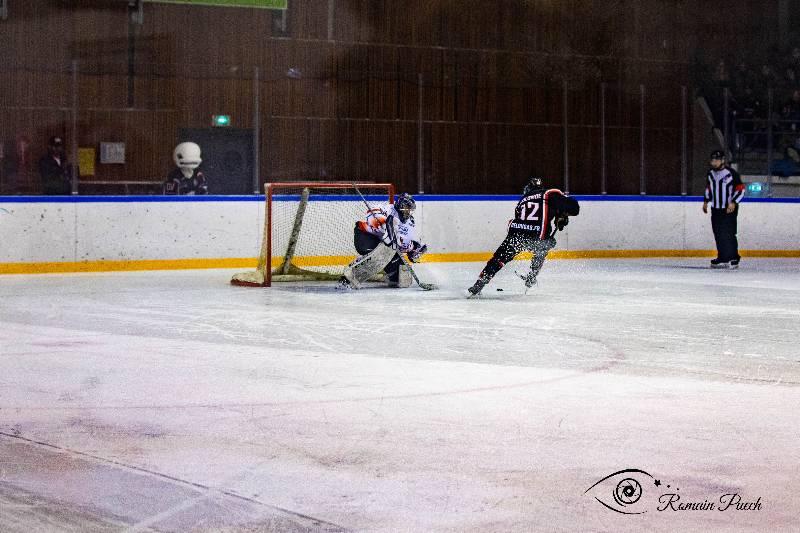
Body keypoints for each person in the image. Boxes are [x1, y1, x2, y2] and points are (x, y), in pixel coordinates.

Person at [467, 176, 580, 296]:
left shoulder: (522, 200)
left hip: (518, 235)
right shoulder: (549, 194)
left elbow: (528, 216)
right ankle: (533, 274)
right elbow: (574, 208)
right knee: (542, 247)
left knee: (499, 258)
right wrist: (563, 215)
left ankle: (480, 283)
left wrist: (559, 215)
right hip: (538, 237)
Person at [339, 193, 428, 289]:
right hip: (367, 236)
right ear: (400, 205)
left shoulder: (409, 223)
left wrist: (413, 249)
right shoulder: (386, 209)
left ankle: (391, 277)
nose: (408, 211)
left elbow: (402, 243)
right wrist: (386, 228)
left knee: (401, 274)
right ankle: (349, 275)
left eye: (410, 209)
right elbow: (372, 216)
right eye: (406, 207)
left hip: (385, 246)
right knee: (378, 255)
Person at [703, 150, 745, 268]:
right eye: (712, 160)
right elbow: (709, 188)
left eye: (716, 160)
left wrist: (733, 202)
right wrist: (706, 201)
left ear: (722, 160)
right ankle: (722, 256)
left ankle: (733, 257)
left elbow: (741, 189)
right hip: (716, 208)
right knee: (718, 233)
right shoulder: (710, 173)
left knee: (729, 233)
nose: (714, 162)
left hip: (728, 209)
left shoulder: (731, 173)